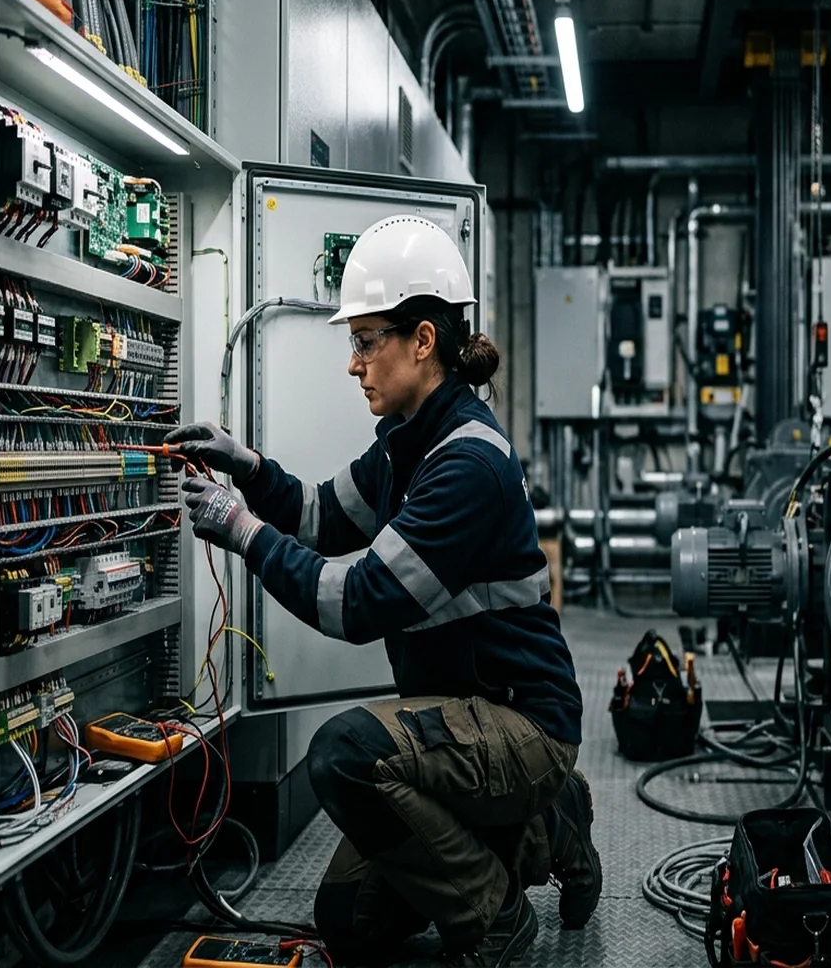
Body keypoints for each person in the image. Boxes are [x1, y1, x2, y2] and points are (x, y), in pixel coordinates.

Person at [164, 215, 599, 967]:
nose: (354, 364)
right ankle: (543, 825)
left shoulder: (465, 465)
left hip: (521, 721)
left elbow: (355, 603)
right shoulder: (407, 439)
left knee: (342, 755)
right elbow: (323, 517)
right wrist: (247, 468)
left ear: (422, 340)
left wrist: (242, 533)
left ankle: (496, 909)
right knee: (349, 920)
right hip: (460, 717)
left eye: (366, 342)